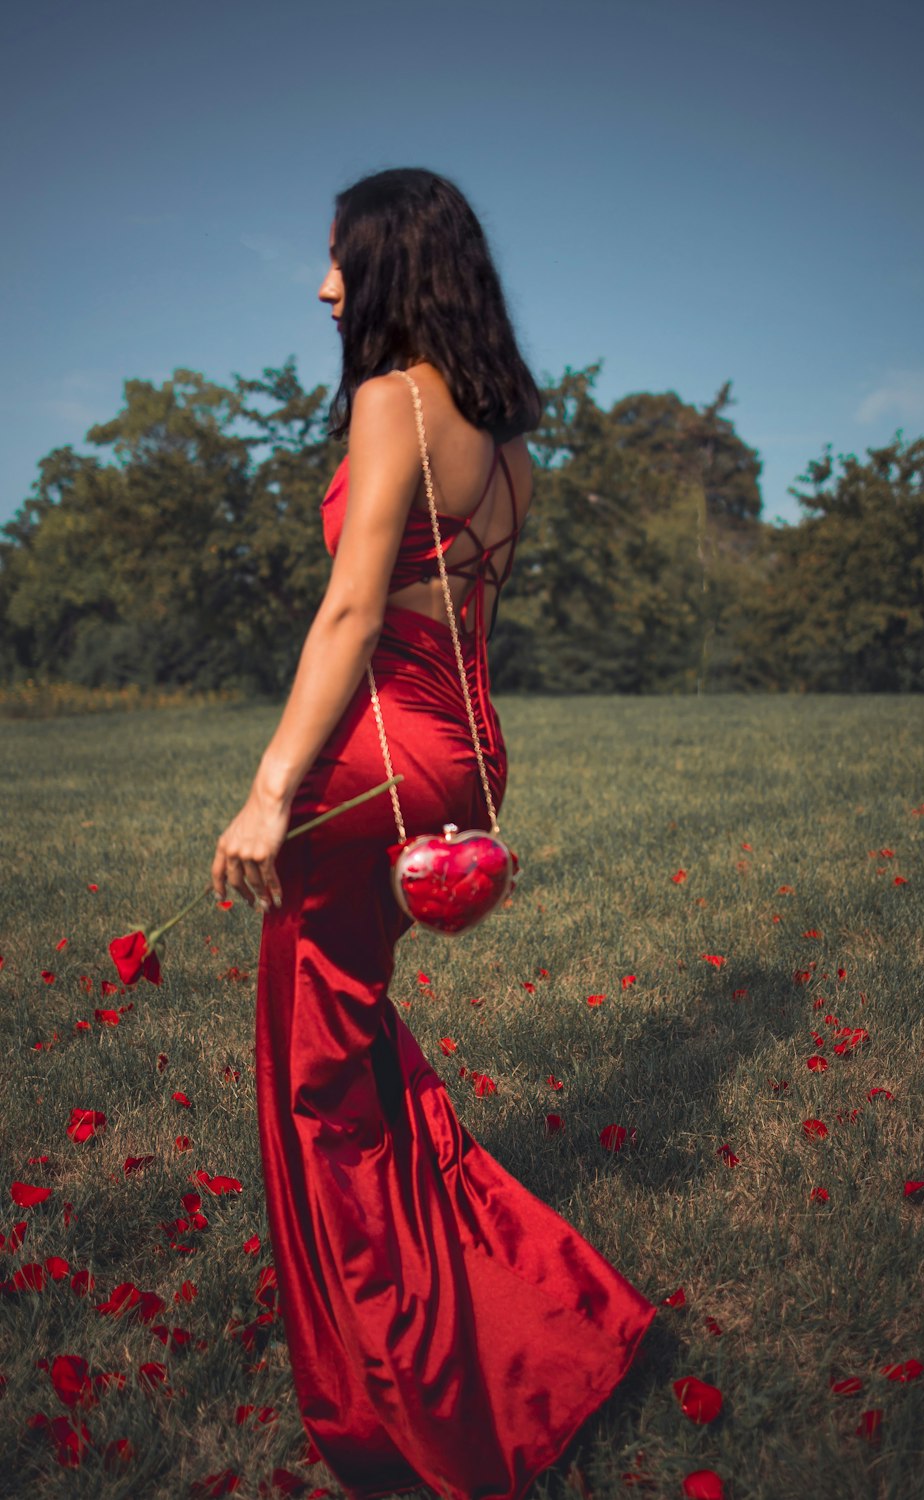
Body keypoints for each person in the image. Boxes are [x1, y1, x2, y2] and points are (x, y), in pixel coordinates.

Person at [212, 168, 656, 1500]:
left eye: (339, 257)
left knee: (314, 1063)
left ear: (393, 266)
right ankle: (500, 1302)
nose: (323, 284)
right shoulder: (508, 444)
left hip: (378, 754)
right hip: (466, 751)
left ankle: (417, 1389)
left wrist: (272, 789)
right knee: (348, 1026)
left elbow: (353, 616)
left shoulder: (390, 400)